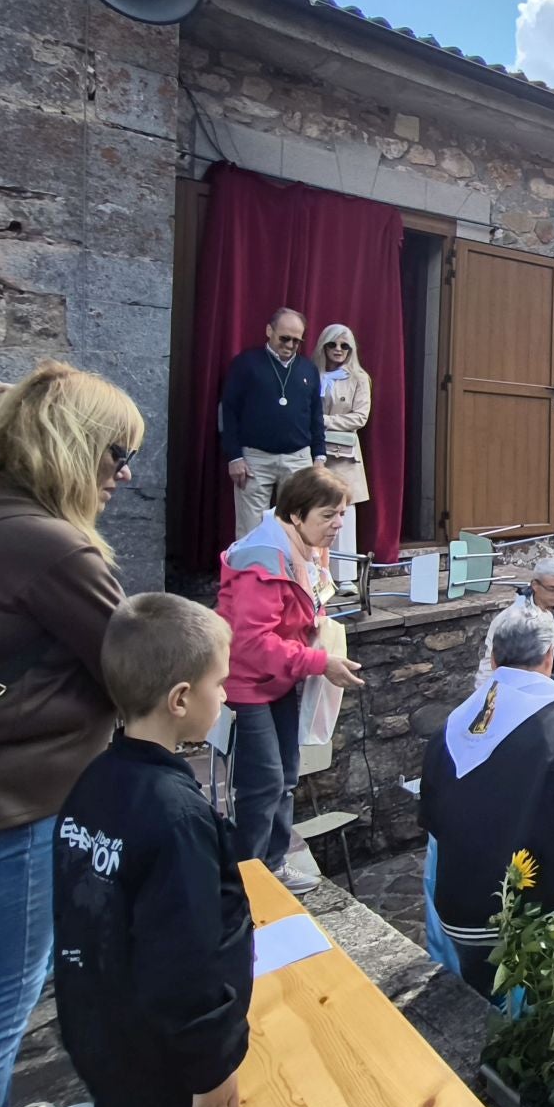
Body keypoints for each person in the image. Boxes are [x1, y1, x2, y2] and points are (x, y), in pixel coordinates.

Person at [0, 363, 143, 1107]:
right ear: (72, 449)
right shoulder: (52, 545)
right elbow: (136, 666)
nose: (125, 475)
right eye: (115, 455)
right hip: (9, 806)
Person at [51, 595, 250, 1107]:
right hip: (164, 1059)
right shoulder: (176, 816)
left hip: (100, 1029)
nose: (227, 696)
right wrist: (211, 1064)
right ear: (181, 699)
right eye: (220, 683)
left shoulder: (92, 782)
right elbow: (183, 956)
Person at [422, 609, 554, 994]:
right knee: (546, 1022)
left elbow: (431, 818)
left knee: (480, 1010)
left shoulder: (453, 724)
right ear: (550, 657)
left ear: (493, 659)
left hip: (460, 911)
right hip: (539, 913)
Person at [215, 465, 362, 887]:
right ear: (296, 515)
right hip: (247, 686)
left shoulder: (302, 548)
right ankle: (245, 881)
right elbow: (251, 643)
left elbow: (301, 611)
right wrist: (320, 663)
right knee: (262, 784)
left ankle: (273, 865)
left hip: (277, 680)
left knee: (285, 777)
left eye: (341, 516)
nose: (337, 525)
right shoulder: (263, 559)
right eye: (328, 516)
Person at [219, 307, 327, 541]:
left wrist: (319, 457)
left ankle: (292, 577)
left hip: (298, 457)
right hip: (254, 459)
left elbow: (316, 416)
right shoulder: (246, 363)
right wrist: (234, 456)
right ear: (269, 331)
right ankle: (251, 577)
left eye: (296, 341)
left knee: (299, 527)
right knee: (251, 529)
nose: (289, 345)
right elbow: (228, 411)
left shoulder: (308, 369)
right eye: (285, 338)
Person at [477, 557, 554, 701]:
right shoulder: (511, 619)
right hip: (531, 704)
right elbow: (490, 665)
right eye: (552, 589)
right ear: (535, 585)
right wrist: (482, 701)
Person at [313, 323, 371, 592]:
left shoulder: (359, 378)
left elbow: (359, 417)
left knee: (345, 514)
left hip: (344, 455)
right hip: (314, 452)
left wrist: (323, 421)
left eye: (344, 346)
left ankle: (345, 576)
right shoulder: (311, 374)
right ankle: (316, 575)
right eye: (332, 344)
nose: (338, 350)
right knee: (315, 510)